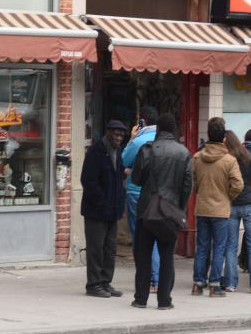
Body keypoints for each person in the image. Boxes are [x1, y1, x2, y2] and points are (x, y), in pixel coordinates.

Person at [130, 114, 193, 309]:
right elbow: (187, 185)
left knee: (143, 255)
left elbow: (136, 179)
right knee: (167, 256)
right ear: (174, 130)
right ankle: (164, 300)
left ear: (158, 131)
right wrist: (179, 206)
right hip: (170, 211)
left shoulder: (147, 150)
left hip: (146, 210)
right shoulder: (183, 153)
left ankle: (141, 298)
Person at [192, 121, 243, 297]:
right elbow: (238, 184)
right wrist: (228, 196)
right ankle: (214, 286)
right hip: (221, 210)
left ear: (208, 135)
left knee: (202, 247)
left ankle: (198, 284)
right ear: (223, 138)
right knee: (219, 247)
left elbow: (192, 181)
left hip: (202, 207)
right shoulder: (229, 160)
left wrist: (199, 190)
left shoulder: (197, 157)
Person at [80, 119, 128, 298]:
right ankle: (93, 284)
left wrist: (118, 203)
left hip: (112, 211)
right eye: (116, 134)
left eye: (121, 135)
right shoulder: (96, 152)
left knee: (110, 249)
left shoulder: (118, 152)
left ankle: (105, 282)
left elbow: (118, 178)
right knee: (96, 249)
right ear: (107, 133)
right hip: (96, 211)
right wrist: (102, 202)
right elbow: (88, 181)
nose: (119, 138)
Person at [121, 106, 160, 292]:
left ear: (142, 121)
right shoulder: (165, 140)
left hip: (137, 193)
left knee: (141, 237)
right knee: (157, 236)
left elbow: (123, 160)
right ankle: (156, 278)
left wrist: (131, 138)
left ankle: (148, 278)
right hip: (160, 194)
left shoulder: (139, 142)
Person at [224, 131, 251, 293]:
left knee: (231, 245)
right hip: (250, 203)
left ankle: (231, 284)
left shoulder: (227, 159)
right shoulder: (248, 156)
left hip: (232, 204)